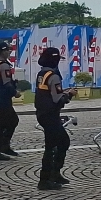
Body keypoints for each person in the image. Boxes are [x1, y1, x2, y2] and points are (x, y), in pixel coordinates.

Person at [34, 47, 77, 191]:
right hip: (50, 114)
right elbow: (58, 99)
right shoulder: (53, 76)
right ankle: (45, 179)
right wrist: (69, 94)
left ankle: (55, 173)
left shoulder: (42, 73)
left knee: (63, 141)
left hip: (43, 113)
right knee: (52, 147)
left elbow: (49, 93)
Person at [0, 41, 20, 161]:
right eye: (7, 50)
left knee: (10, 121)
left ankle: (4, 146)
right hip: (2, 97)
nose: (9, 52)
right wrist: (15, 92)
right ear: (3, 51)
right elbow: (6, 83)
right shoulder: (4, 65)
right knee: (2, 124)